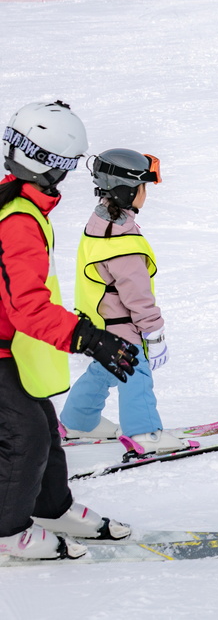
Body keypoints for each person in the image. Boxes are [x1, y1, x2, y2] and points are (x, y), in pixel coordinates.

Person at [0, 101, 140, 561]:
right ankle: (7, 532)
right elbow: (29, 307)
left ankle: (51, 507)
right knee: (23, 434)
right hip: (5, 345)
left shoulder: (17, 205)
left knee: (42, 425)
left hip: (11, 347)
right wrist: (88, 337)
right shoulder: (19, 220)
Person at [60, 149, 180, 455]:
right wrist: (154, 331)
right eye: (143, 188)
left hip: (99, 322)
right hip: (120, 324)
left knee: (104, 368)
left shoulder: (101, 223)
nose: (146, 194)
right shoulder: (122, 243)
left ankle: (78, 421)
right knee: (135, 370)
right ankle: (144, 434)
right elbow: (137, 294)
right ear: (128, 191)